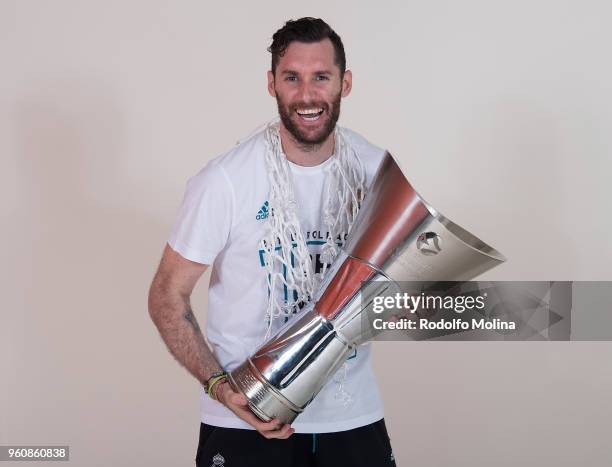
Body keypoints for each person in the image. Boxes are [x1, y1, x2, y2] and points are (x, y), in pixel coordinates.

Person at [148, 17, 396, 467]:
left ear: (345, 82)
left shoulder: (376, 171)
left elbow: (402, 280)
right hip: (246, 421)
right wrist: (220, 388)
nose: (307, 95)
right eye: (292, 78)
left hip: (352, 419)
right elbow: (166, 295)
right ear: (272, 85)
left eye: (321, 77)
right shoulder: (225, 181)